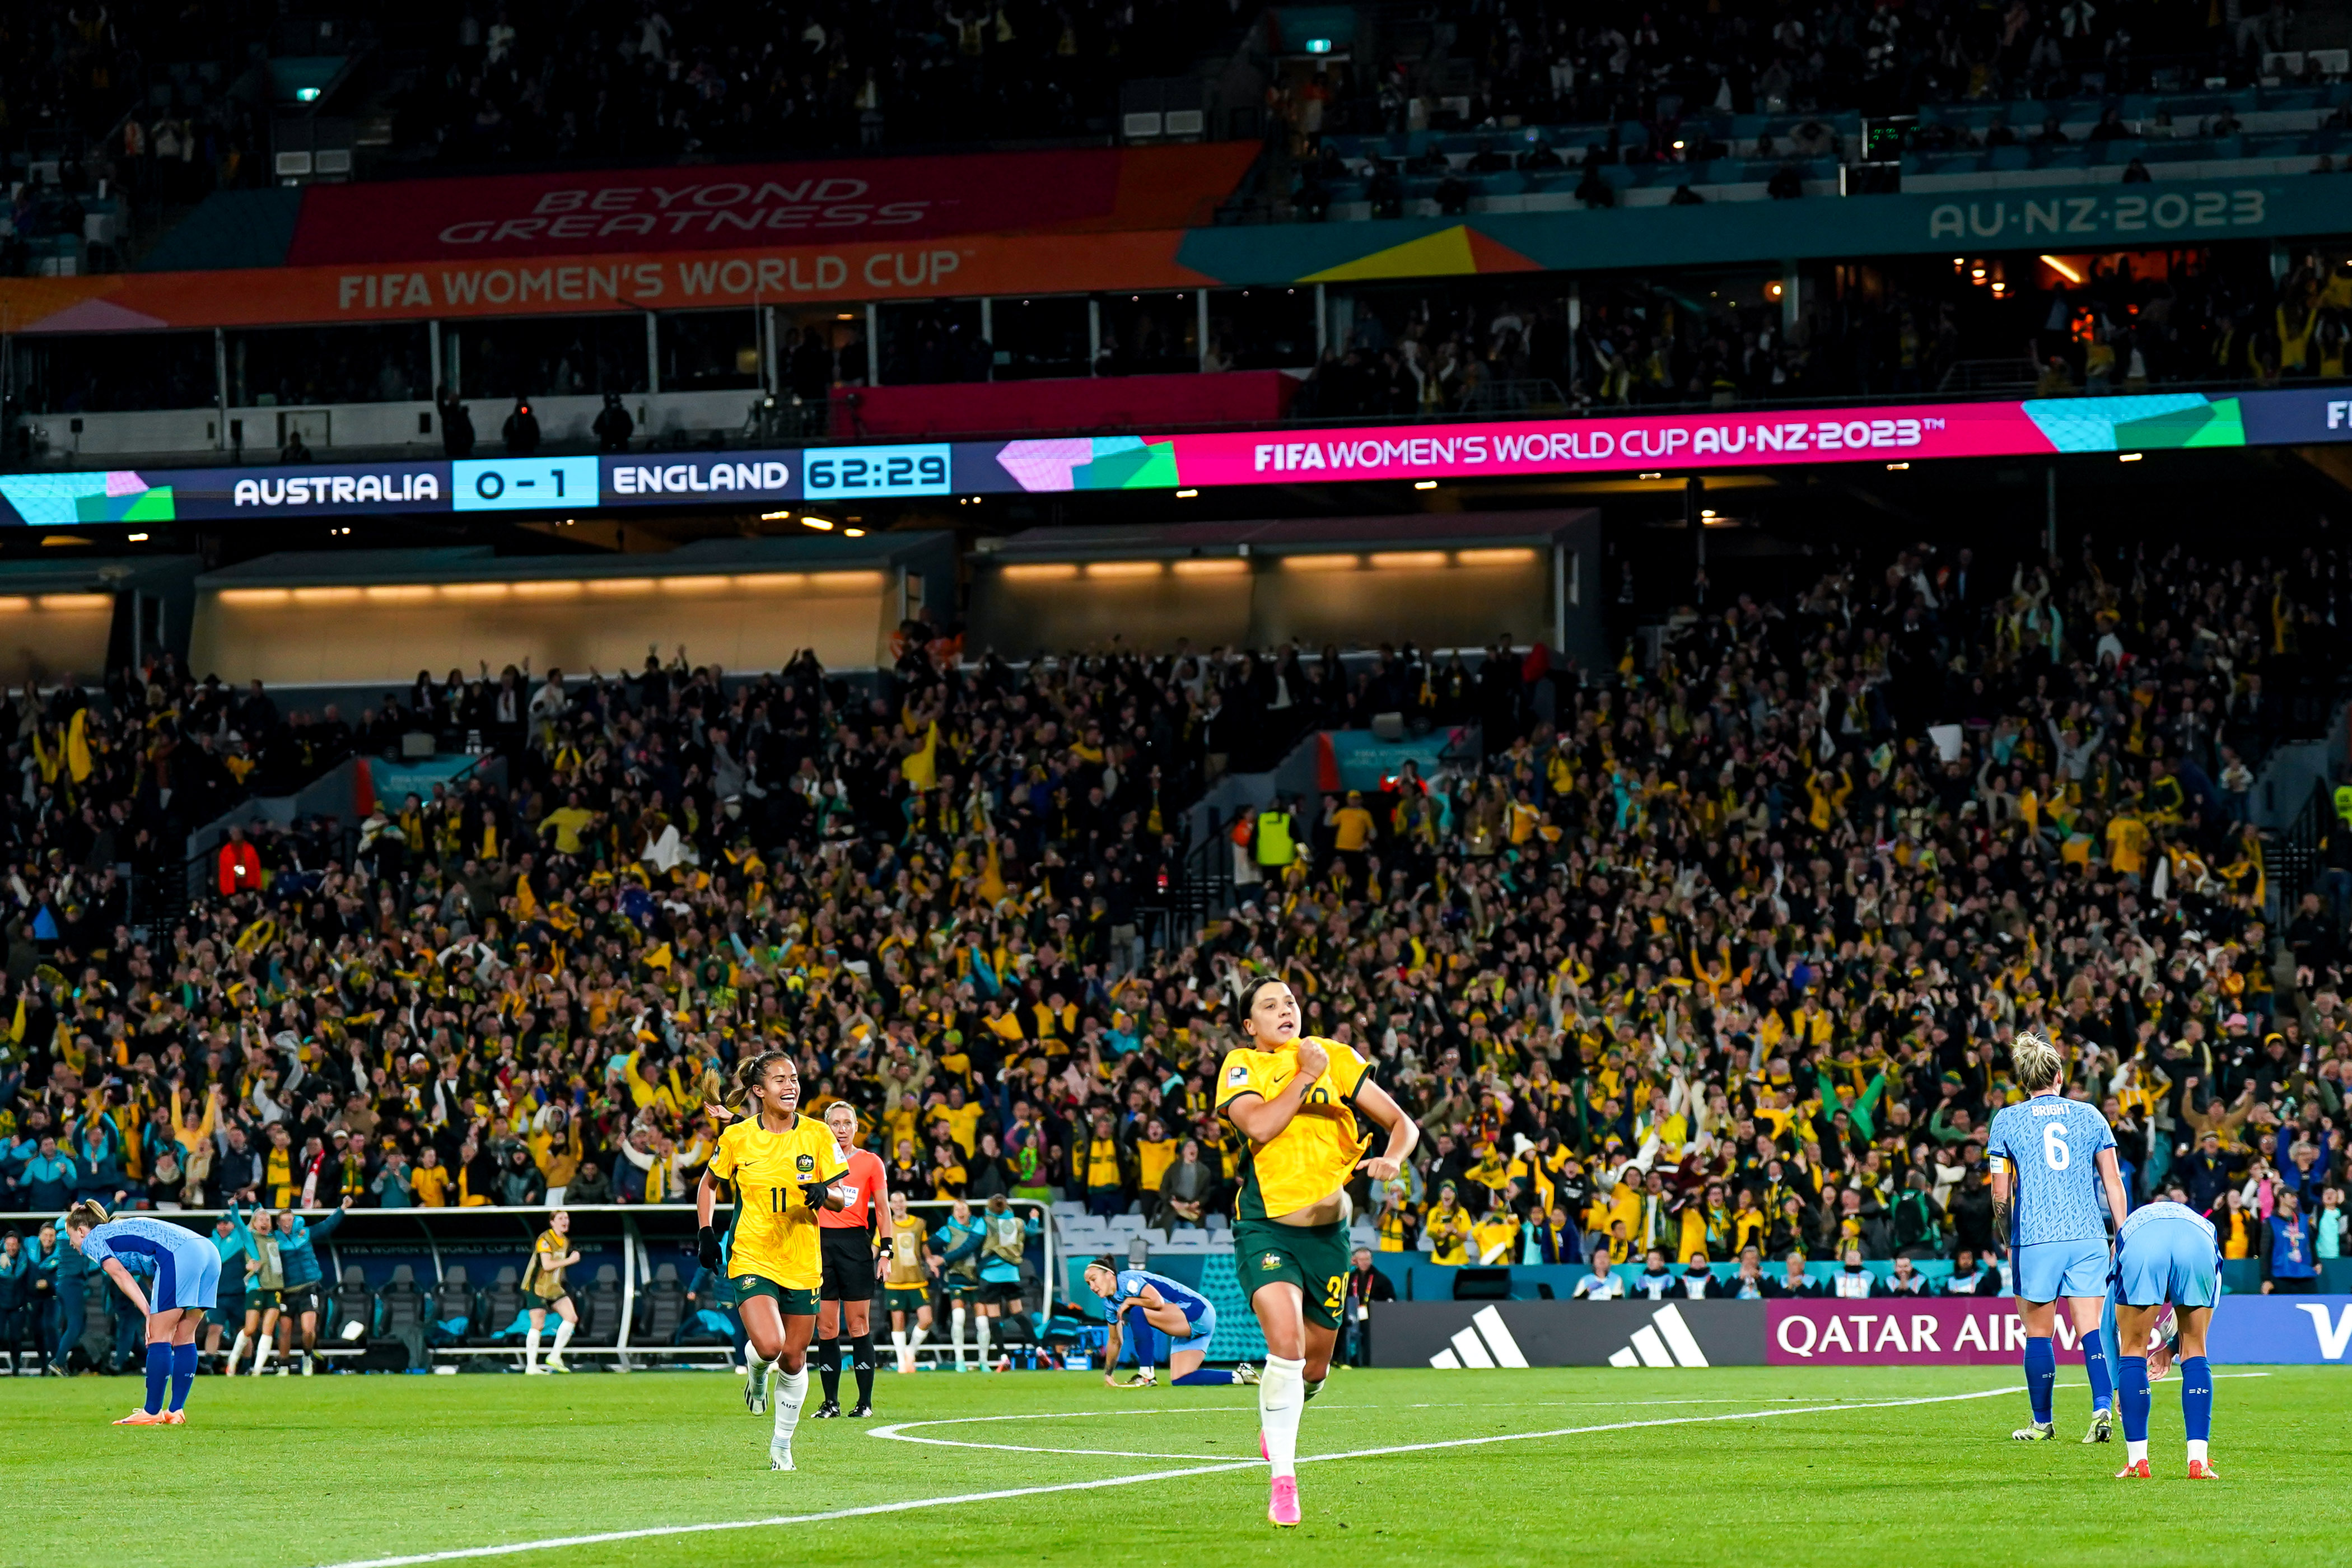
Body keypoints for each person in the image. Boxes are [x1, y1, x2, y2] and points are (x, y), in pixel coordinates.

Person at [1216, 975, 1420, 1528]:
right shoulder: (1243, 1066)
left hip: (1330, 1239)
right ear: (1249, 1025)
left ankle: (1280, 1414)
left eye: (1290, 1001)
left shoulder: (1336, 1056)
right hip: (1268, 1229)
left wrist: (1394, 1160)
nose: (1284, 1009)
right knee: (1284, 1344)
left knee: (1313, 1367)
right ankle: (1284, 1479)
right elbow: (1258, 1124)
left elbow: (1403, 1124)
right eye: (1268, 1005)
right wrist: (1305, 1075)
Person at [697, 1050, 847, 1471]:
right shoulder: (738, 1137)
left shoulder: (818, 1135)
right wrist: (706, 1231)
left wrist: (825, 1194)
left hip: (801, 1258)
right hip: (751, 1254)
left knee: (795, 1360)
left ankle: (781, 1445)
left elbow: (842, 1198)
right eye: (780, 1079)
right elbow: (709, 1186)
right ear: (759, 1091)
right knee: (770, 1345)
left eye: (795, 1078)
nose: (791, 1085)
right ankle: (756, 1368)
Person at [1988, 1029, 2130, 1445]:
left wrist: (2008, 1237)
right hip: (2088, 1236)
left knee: (2038, 1333)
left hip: (2036, 1238)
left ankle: (2041, 1423)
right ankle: (2102, 1408)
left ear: (2024, 1080)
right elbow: (2113, 1183)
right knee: (2092, 1330)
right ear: (2060, 1077)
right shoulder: (2090, 1116)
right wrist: (2122, 1238)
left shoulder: (2007, 1121)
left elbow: (2001, 1194)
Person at [63, 1202, 218, 1425]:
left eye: (71, 1236)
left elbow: (119, 1274)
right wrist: (154, 1310)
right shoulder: (120, 1230)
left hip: (180, 1255)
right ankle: (176, 1411)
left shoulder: (94, 1239)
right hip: (207, 1251)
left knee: (159, 1336)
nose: (71, 1243)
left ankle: (152, 1411)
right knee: (184, 1336)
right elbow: (153, 1269)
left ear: (81, 1231)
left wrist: (149, 1314)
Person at [2101, 1200, 2223, 1480]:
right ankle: (2199, 1462)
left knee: (2133, 1347)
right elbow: (2210, 1307)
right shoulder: (2203, 1226)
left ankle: (2137, 1462)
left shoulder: (2121, 1243)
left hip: (2144, 1243)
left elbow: (2107, 1331)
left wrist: (2120, 1387)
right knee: (2196, 1349)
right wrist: (2172, 1348)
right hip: (2198, 1241)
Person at [812, 1099, 888, 1418]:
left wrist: (886, 1251)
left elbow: (883, 1209)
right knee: (826, 1328)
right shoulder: (814, 1160)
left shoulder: (871, 1163)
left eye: (847, 1124)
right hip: (819, 1245)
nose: (841, 1130)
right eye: (835, 1124)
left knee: (859, 1325)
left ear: (856, 1128)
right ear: (826, 1127)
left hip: (856, 1245)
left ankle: (865, 1404)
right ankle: (830, 1403)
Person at [1085, 1257, 1258, 1388]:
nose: (1092, 1287)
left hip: (1196, 1310)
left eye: (1094, 1279)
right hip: (1185, 1323)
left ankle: (1146, 1374)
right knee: (1180, 1378)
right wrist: (1109, 1373)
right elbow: (1115, 1340)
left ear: (1109, 1275)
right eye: (1088, 1284)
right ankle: (1241, 1376)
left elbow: (1157, 1302)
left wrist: (1130, 1302)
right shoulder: (1109, 1303)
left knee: (1138, 1311)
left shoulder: (1127, 1280)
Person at [272, 1199, 351, 1375]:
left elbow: (326, 1226)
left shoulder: (305, 1233)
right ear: (278, 1223)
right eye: (283, 1221)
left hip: (308, 1288)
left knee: (308, 1330)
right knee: (284, 1331)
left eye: (290, 1220)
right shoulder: (274, 1240)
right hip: (286, 1291)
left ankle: (307, 1356)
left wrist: (342, 1208)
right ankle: (284, 1365)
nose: (287, 1224)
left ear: (294, 1220)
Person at [226, 1202, 287, 1375]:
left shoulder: (275, 1239)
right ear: (254, 1223)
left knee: (268, 1329)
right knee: (251, 1329)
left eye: (267, 1219)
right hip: (257, 1287)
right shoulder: (250, 1238)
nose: (265, 1221)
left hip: (275, 1286)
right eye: (260, 1219)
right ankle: (233, 1362)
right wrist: (234, 1207)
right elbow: (238, 1222)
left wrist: (257, 1205)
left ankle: (258, 1370)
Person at [879, 1190, 935, 1375]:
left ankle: (911, 1351)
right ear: (890, 1205)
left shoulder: (919, 1224)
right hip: (894, 1281)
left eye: (901, 1201)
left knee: (927, 1319)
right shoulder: (886, 1224)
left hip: (917, 1280)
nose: (898, 1205)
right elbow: (876, 1248)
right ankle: (903, 1362)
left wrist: (931, 1262)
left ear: (906, 1203)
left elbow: (924, 1247)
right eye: (894, 1202)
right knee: (898, 1323)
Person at [521, 1208, 581, 1374]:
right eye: (561, 1218)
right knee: (538, 1324)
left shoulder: (566, 1241)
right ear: (552, 1222)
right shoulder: (545, 1239)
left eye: (567, 1218)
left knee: (571, 1317)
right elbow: (547, 1265)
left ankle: (555, 1356)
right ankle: (531, 1367)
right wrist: (570, 1261)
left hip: (554, 1287)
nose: (565, 1221)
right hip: (538, 1286)